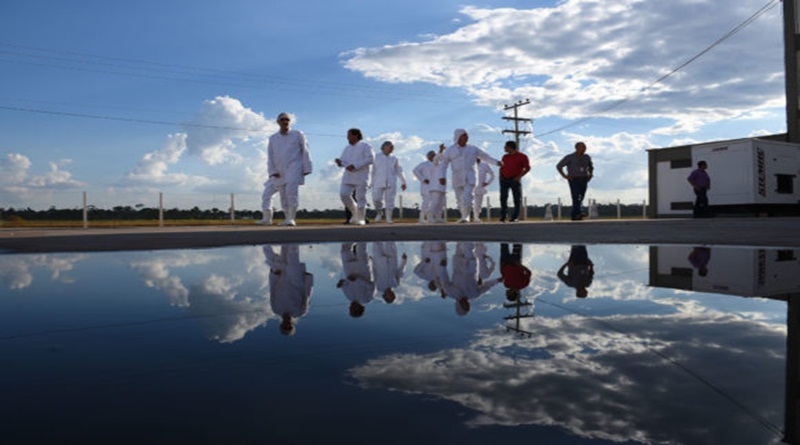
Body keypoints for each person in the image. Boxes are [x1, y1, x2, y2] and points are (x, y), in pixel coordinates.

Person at [259, 112, 313, 226]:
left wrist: (307, 167)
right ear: (278, 122)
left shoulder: (298, 134)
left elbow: (305, 151)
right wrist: (272, 171)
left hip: (295, 167)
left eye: (287, 119)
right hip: (279, 170)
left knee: (291, 192)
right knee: (283, 195)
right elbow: (270, 155)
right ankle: (285, 218)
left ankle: (291, 218)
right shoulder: (273, 138)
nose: (285, 122)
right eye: (282, 119)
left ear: (290, 121)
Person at [437, 129, 502, 223]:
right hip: (457, 177)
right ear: (458, 136)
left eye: (467, 136)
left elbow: (485, 157)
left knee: (468, 197)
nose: (466, 137)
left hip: (470, 177)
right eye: (464, 135)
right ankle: (463, 215)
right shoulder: (450, 150)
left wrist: (496, 162)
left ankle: (466, 217)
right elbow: (443, 164)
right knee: (459, 199)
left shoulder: (473, 148)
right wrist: (441, 176)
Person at [263, 244, 313, 335]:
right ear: (292, 325)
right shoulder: (300, 312)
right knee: (292, 254)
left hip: (281, 279)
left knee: (277, 254)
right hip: (296, 281)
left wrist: (274, 275)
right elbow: (307, 295)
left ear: (281, 325)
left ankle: (264, 237)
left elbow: (272, 291)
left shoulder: (276, 309)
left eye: (284, 327)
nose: (287, 325)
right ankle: (294, 233)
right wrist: (308, 278)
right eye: (289, 327)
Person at [336, 128, 374, 225]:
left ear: (355, 136)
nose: (347, 138)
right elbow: (343, 161)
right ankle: (355, 214)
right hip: (348, 175)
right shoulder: (347, 148)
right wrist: (340, 162)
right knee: (344, 194)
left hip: (361, 175)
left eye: (349, 135)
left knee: (360, 197)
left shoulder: (365, 146)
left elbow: (371, 159)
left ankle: (361, 218)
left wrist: (355, 165)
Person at [371, 141, 407, 223]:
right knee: (376, 199)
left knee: (390, 200)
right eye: (391, 147)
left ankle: (389, 218)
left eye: (393, 147)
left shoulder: (394, 158)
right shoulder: (376, 157)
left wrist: (403, 182)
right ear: (384, 147)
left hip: (391, 182)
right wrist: (370, 182)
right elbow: (372, 170)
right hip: (378, 181)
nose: (392, 149)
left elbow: (399, 170)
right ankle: (379, 213)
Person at [556, 141, 594, 221]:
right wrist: (565, 176)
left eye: (585, 147)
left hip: (584, 178)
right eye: (582, 147)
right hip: (574, 179)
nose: (584, 149)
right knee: (576, 196)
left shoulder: (587, 157)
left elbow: (591, 166)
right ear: (576, 148)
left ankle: (575, 215)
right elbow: (559, 166)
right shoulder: (570, 157)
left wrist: (590, 174)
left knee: (581, 196)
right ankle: (578, 212)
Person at [336, 242, 375, 318]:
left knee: (344, 250)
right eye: (351, 309)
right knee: (361, 247)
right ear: (357, 309)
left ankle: (352, 235)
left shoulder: (349, 297)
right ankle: (363, 231)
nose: (349, 307)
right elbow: (371, 285)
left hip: (349, 269)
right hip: (362, 268)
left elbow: (345, 285)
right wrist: (358, 279)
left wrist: (341, 284)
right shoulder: (367, 299)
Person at [498, 140, 530, 223]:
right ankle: (503, 216)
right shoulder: (505, 157)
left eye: (506, 146)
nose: (504, 148)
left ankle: (515, 217)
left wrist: (519, 177)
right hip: (504, 179)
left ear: (511, 147)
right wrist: (500, 177)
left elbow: (527, 168)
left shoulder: (522, 156)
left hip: (514, 179)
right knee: (503, 198)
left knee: (516, 198)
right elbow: (501, 167)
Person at [412, 150, 439, 223]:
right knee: (426, 202)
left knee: (433, 203)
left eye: (434, 155)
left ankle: (430, 218)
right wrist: (423, 179)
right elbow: (415, 170)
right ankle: (421, 218)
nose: (433, 157)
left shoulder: (437, 165)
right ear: (428, 157)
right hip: (426, 186)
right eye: (432, 155)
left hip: (435, 186)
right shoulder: (424, 164)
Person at [472, 158, 495, 223]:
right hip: (469, 186)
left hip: (479, 187)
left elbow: (492, 175)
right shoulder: (469, 165)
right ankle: (465, 217)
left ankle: (476, 217)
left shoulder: (485, 165)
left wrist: (488, 182)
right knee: (466, 202)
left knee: (478, 203)